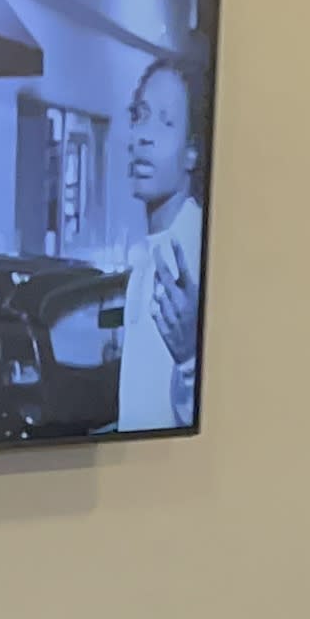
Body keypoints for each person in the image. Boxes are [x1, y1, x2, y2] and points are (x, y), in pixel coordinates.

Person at [115, 57, 207, 432]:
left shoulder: (196, 255)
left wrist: (190, 359)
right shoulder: (149, 256)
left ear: (192, 153)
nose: (143, 136)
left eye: (165, 122)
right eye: (140, 116)